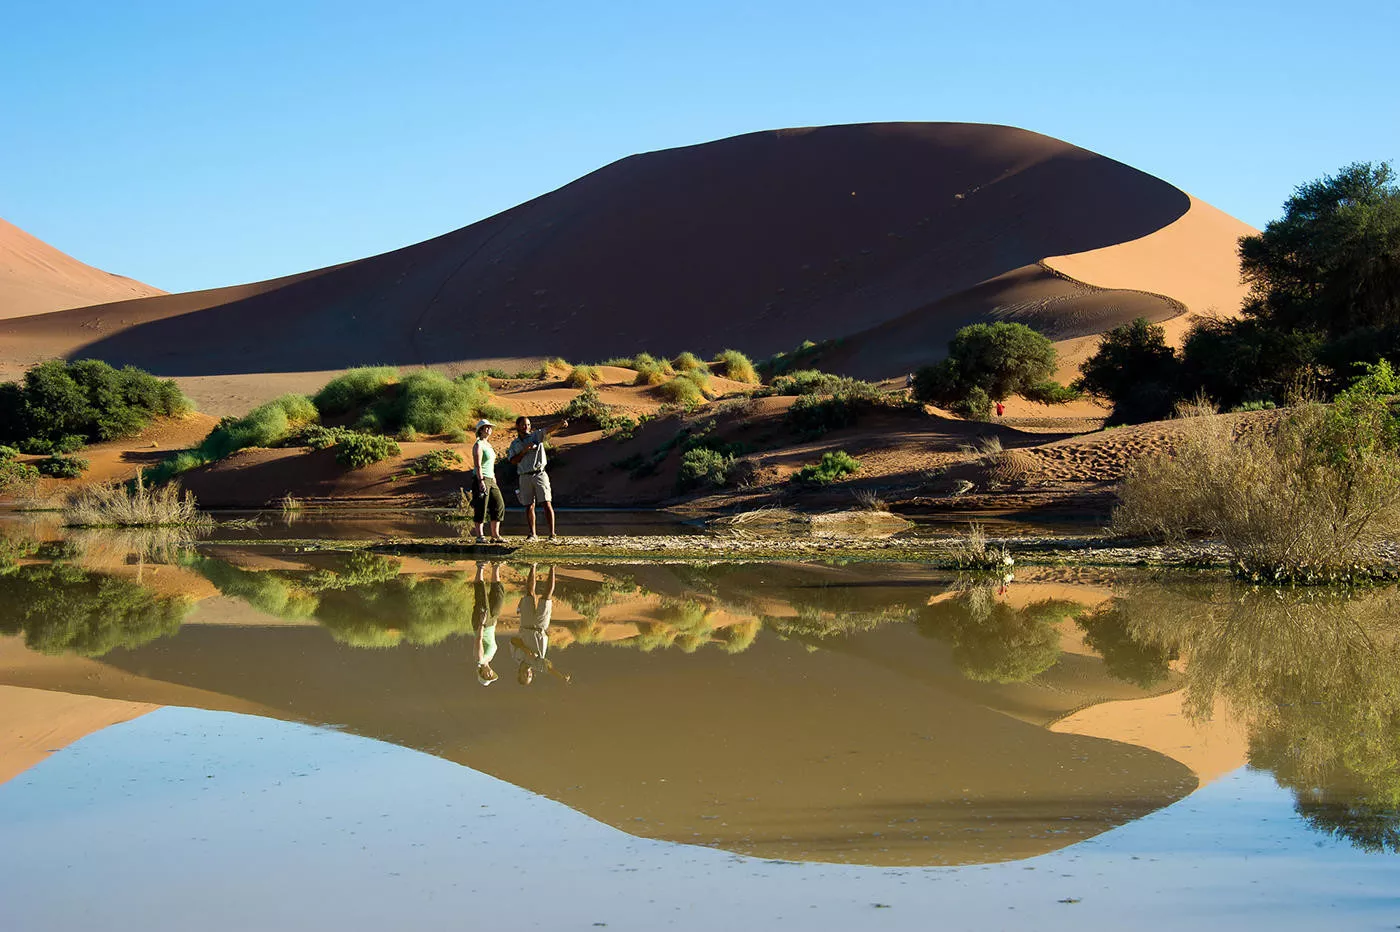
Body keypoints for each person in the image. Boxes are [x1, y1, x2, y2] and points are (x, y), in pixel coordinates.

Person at [505, 414, 569, 542]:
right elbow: (512, 461)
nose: (526, 427)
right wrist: (523, 451)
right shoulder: (514, 444)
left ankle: (552, 534)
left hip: (540, 473)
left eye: (528, 424)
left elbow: (548, 430)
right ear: (517, 426)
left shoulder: (536, 436)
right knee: (529, 505)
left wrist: (559, 424)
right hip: (524, 476)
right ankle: (532, 534)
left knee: (546, 502)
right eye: (523, 424)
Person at [511, 564, 570, 686]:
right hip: (540, 626)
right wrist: (561, 677)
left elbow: (513, 641)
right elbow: (550, 669)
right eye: (530, 676)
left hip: (526, 624)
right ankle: (552, 567)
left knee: (529, 593)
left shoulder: (516, 657)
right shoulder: (537, 665)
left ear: (519, 673)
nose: (529, 674)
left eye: (525, 676)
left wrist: (525, 649)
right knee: (547, 596)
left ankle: (533, 566)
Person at [470, 419, 506, 544]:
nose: (489, 429)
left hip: (491, 478)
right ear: (480, 430)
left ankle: (495, 535)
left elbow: (491, 464)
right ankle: (480, 536)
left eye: (490, 427)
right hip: (481, 478)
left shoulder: (488, 445)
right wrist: (481, 481)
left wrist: (493, 478)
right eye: (486, 427)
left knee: (498, 504)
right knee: (481, 506)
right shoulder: (478, 445)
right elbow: (478, 465)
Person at [471, 561, 504, 686]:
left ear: (481, 673)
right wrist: (493, 624)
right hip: (490, 624)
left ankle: (480, 567)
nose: (490, 674)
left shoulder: (479, 659)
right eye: (491, 676)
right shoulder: (489, 658)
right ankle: (496, 566)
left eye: (487, 676)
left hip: (481, 624)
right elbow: (491, 639)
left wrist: (482, 623)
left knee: (481, 596)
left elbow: (479, 640)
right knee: (498, 598)